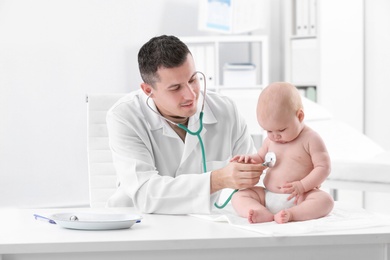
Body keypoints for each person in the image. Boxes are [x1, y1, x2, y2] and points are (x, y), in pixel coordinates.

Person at [106, 35, 265, 214]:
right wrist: (218, 180)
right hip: (138, 225)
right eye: (175, 88)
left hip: (202, 224)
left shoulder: (225, 110)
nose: (190, 95)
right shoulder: (125, 116)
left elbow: (255, 176)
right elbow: (145, 193)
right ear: (148, 90)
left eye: (192, 80)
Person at [231, 82, 334, 224]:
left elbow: (324, 168)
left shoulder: (311, 139)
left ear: (300, 116)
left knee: (325, 201)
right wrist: (248, 159)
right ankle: (260, 211)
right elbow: (261, 158)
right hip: (268, 195)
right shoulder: (270, 141)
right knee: (239, 196)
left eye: (281, 130)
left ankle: (292, 214)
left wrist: (302, 186)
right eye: (269, 131)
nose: (274, 136)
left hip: (299, 197)